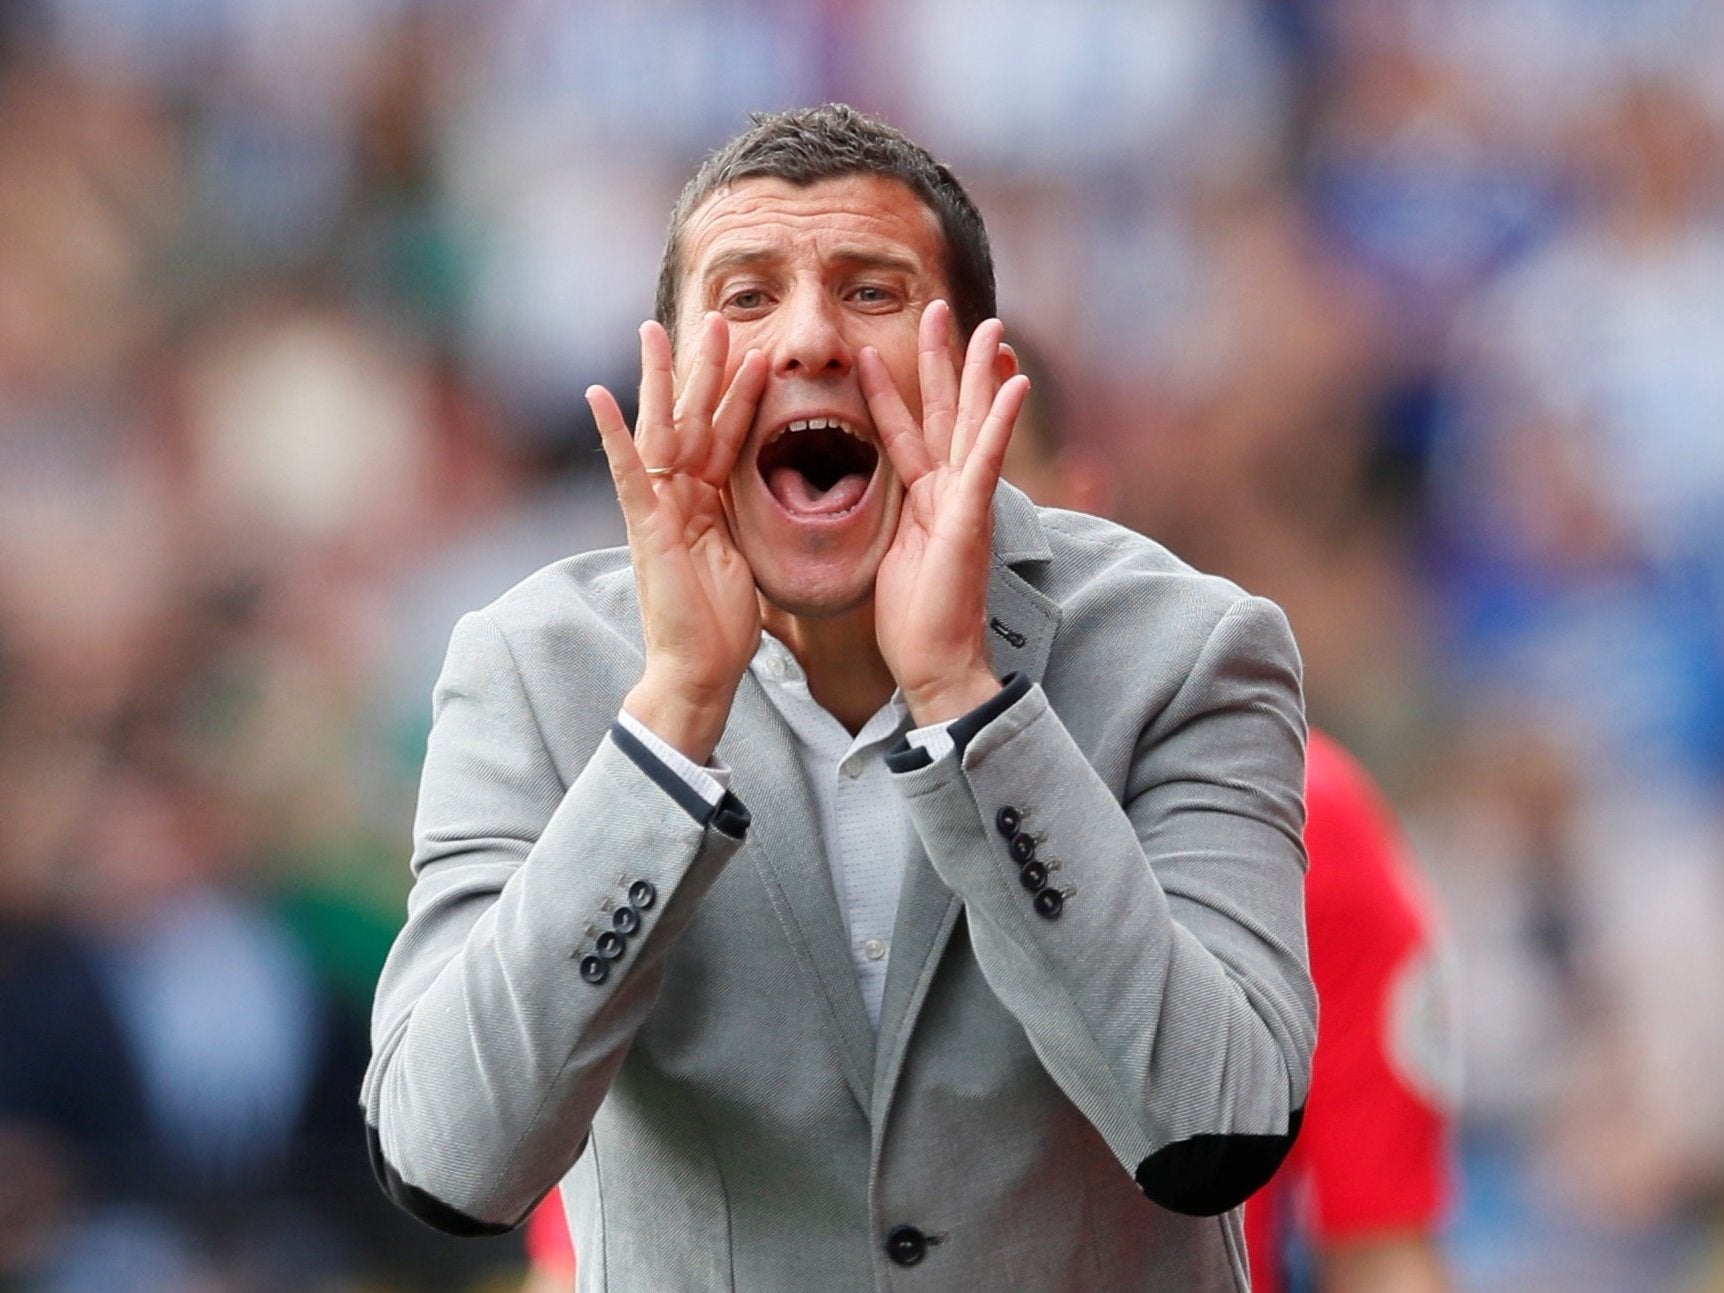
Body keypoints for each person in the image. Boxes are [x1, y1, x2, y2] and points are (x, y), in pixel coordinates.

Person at [363, 103, 1315, 1291]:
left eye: (870, 291)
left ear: (982, 385)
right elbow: (446, 1165)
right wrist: (670, 721)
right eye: (746, 297)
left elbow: (1212, 1133)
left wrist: (969, 707)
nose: (808, 338)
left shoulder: (1189, 651)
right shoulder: (530, 669)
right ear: (669, 386)